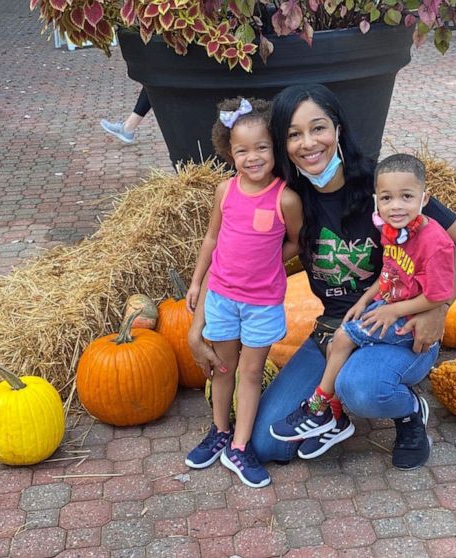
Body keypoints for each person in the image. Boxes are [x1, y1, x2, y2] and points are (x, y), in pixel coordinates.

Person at [188, 84, 456, 471]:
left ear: (338, 129)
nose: (309, 143)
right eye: (294, 134)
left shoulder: (383, 188)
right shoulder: (289, 200)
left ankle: (408, 412)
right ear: (282, 144)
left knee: (361, 388)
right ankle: (334, 412)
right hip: (331, 331)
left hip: (396, 325)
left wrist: (438, 308)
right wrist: (197, 326)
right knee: (265, 444)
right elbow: (233, 259)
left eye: (318, 128)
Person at [269, 153, 455, 443]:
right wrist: (365, 300)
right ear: (376, 200)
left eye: (406, 197)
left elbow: (438, 295)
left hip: (407, 320)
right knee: (338, 343)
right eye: (387, 198)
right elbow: (389, 275)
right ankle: (335, 416)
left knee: (342, 340)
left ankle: (320, 408)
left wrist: (395, 311)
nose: (396, 206)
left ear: (424, 198)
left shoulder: (436, 242)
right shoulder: (391, 231)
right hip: (388, 305)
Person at [182, 96, 303, 488]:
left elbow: (296, 243)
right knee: (222, 369)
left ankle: (239, 444)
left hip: (261, 305)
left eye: (261, 148)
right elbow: (212, 238)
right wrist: (198, 281)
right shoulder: (225, 191)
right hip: (221, 299)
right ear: (228, 151)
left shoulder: (285, 197)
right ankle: (219, 431)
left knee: (251, 374)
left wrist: (269, 263)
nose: (253, 157)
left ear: (275, 148)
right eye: (242, 150)